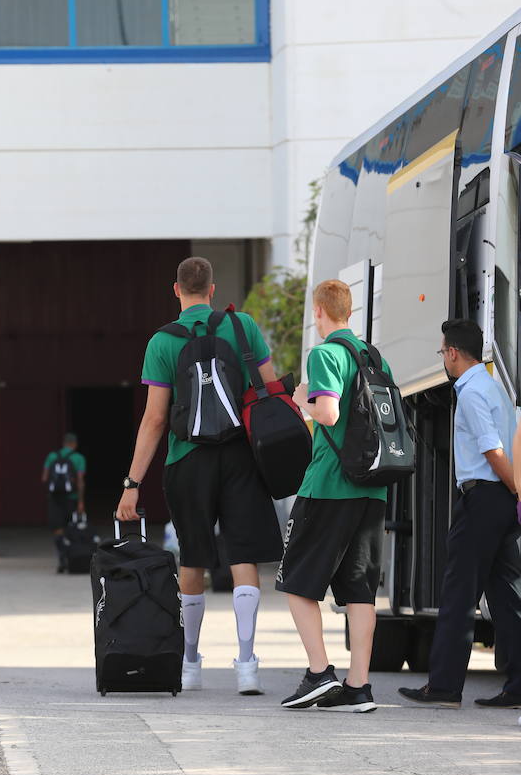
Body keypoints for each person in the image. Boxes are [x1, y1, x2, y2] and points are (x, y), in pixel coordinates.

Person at [116, 256, 283, 694]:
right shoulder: (242, 326)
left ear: (177, 290)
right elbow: (267, 391)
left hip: (188, 461)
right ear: (212, 290)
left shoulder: (162, 342)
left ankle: (189, 663)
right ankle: (246, 664)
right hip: (241, 457)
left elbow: (154, 420)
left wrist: (132, 484)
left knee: (192, 558)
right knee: (242, 555)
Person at [276, 279, 391, 713]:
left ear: (319, 312)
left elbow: (328, 412)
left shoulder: (325, 353)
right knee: (359, 588)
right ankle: (358, 686)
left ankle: (320, 674)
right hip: (372, 488)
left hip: (328, 485)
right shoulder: (374, 357)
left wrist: (301, 398)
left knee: (295, 578)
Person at [399, 319, 521, 709]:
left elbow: (492, 450)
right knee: (507, 595)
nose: (443, 358)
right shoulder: (495, 387)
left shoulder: (470, 393)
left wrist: (518, 488)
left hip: (482, 498)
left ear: (452, 352)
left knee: (458, 593)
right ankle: (518, 685)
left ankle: (445, 687)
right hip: (500, 501)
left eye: (442, 352)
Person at [42, 433, 86, 573]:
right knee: (70, 528)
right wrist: (80, 502)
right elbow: (80, 481)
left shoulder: (51, 456)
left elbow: (44, 478)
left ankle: (61, 557)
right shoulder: (78, 458)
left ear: (64, 443)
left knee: (58, 529)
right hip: (71, 498)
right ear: (74, 444)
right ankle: (70, 557)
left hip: (54, 498)